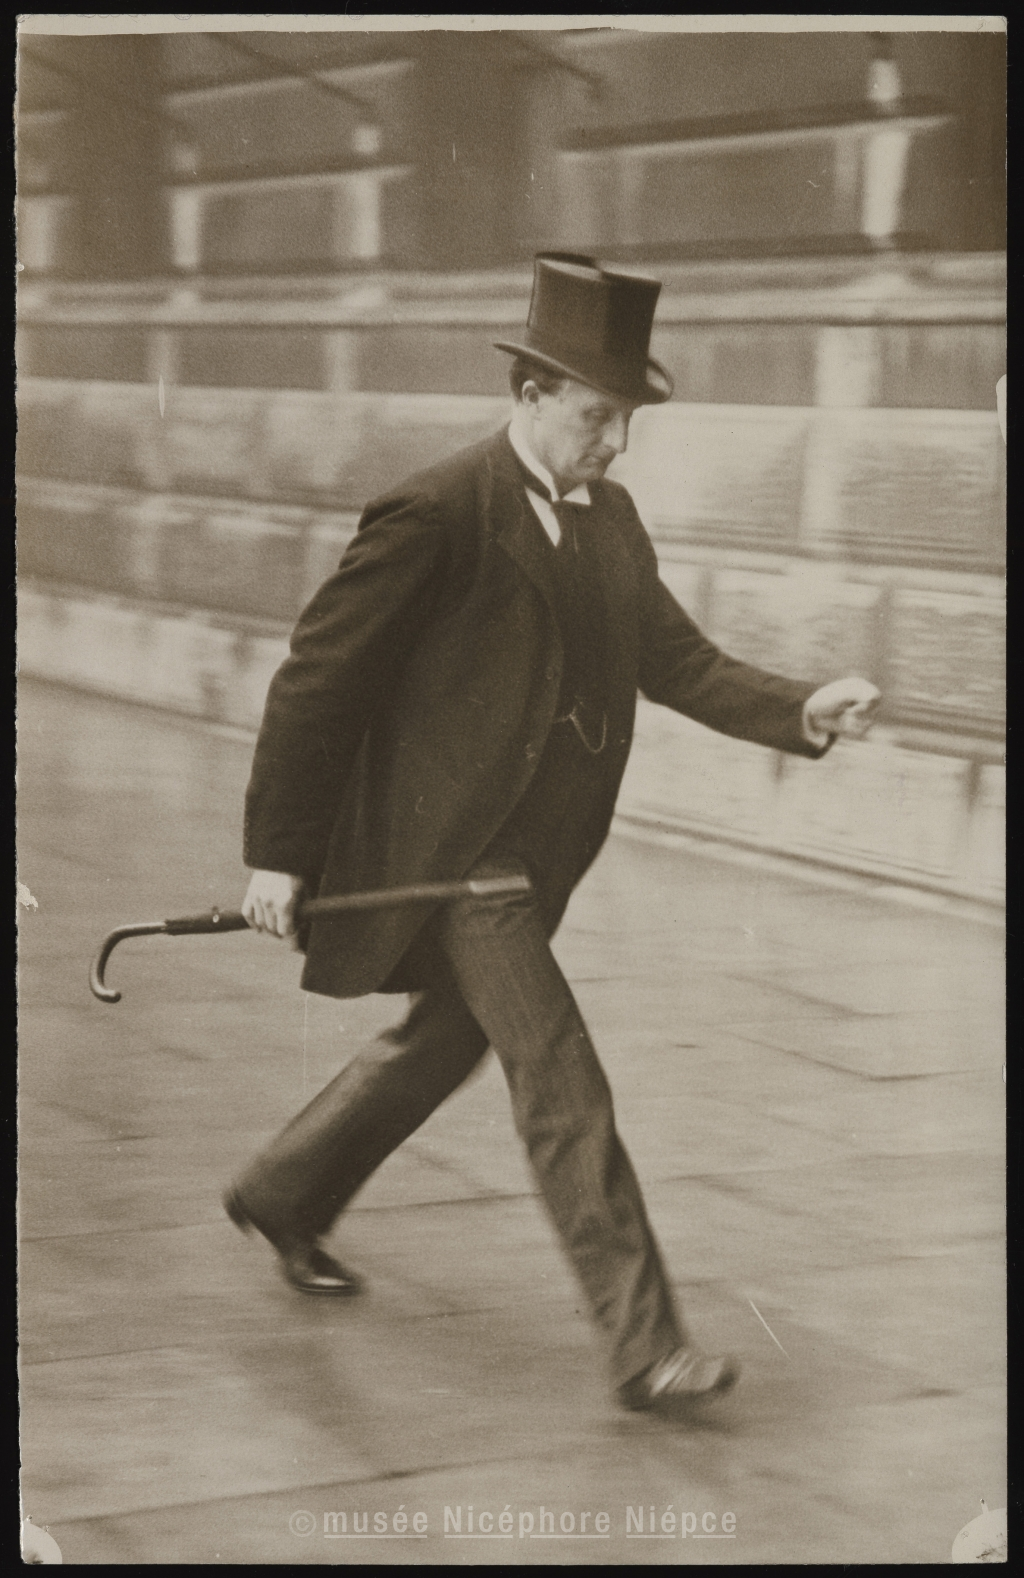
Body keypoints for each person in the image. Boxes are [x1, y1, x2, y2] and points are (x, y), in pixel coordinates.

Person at [225, 253, 880, 1415]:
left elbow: (677, 661)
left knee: (443, 1044)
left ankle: (283, 1192)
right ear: (529, 395)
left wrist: (799, 709)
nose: (615, 443)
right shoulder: (436, 510)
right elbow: (318, 681)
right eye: (595, 417)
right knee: (557, 1069)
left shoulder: (608, 519)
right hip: (453, 855)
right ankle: (645, 1347)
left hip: (536, 856)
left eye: (626, 420)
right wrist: (276, 854)